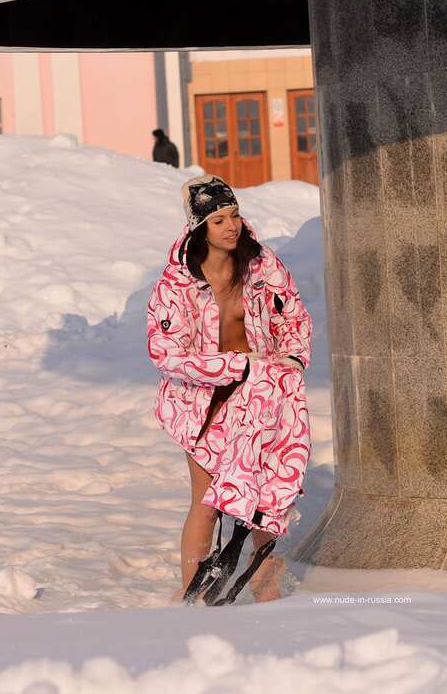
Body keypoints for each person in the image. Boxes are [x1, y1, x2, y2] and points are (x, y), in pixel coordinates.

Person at [146, 174, 312, 605]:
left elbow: (292, 315)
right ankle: (191, 594)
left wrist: (292, 358)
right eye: (219, 220)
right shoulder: (176, 283)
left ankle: (265, 587)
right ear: (199, 226)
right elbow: (166, 353)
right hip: (203, 404)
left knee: (265, 500)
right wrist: (235, 365)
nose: (231, 226)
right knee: (206, 500)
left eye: (234, 215)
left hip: (262, 396)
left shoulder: (261, 265)